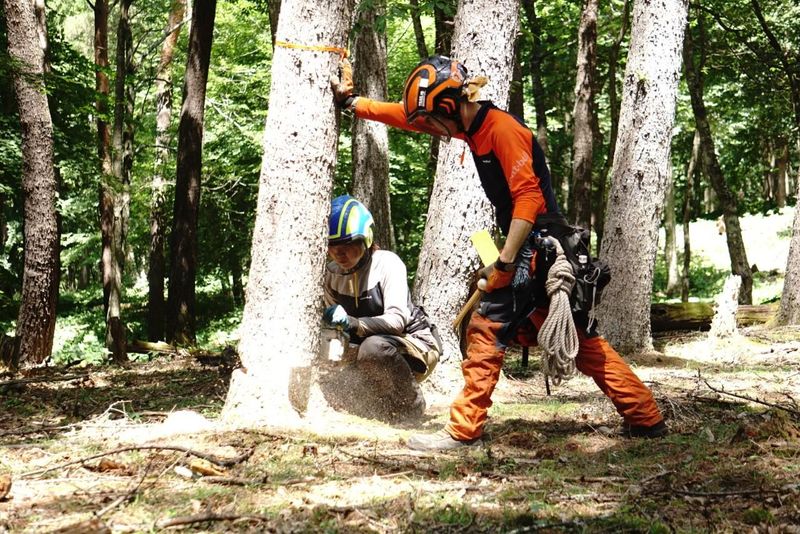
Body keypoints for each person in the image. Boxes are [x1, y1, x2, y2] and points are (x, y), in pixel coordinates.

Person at [331, 55, 667, 450]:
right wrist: (354, 104)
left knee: (486, 330)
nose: (430, 129)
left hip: (536, 246)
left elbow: (528, 199)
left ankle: (463, 430)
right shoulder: (471, 128)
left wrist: (505, 261)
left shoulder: (502, 130)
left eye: (433, 120)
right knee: (584, 341)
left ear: (449, 107)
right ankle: (646, 418)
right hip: (530, 245)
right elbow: (408, 117)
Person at [321, 195, 441, 422]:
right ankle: (384, 406)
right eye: (332, 247)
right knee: (330, 385)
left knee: (373, 348)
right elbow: (336, 334)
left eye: (347, 244)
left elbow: (397, 322)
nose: (339, 253)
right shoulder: (331, 274)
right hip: (366, 351)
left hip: (414, 343)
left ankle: (412, 407)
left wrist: (353, 323)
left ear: (365, 239)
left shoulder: (387, 263)